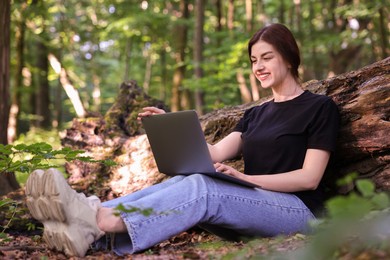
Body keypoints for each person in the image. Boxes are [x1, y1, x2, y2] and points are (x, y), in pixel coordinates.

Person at [25, 23, 339, 257]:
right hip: (252, 205)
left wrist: (246, 178)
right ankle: (88, 218)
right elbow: (214, 152)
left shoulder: (319, 108)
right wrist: (168, 124)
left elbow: (309, 178)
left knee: (204, 189)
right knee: (189, 178)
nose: (258, 67)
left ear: (288, 57)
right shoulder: (257, 114)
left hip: (300, 212)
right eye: (253, 60)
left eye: (266, 58)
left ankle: (97, 221)